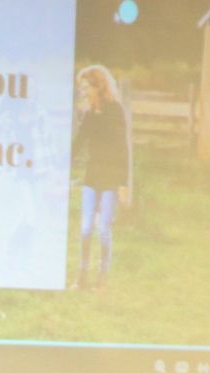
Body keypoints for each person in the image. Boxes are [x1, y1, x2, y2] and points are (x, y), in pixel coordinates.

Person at [74, 64, 133, 291]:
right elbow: (79, 142)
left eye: (86, 86)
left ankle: (102, 278)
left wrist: (123, 184)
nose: (83, 91)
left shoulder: (115, 110)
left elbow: (122, 148)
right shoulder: (89, 113)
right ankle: (82, 276)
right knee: (86, 228)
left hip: (110, 179)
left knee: (103, 230)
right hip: (92, 176)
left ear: (98, 86)